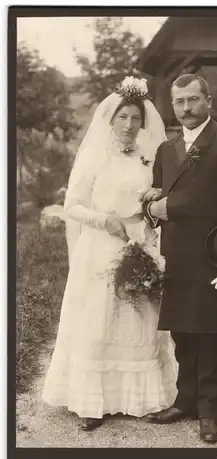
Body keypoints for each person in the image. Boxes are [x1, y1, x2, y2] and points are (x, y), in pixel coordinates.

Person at [42, 77, 178, 431]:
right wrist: (106, 221)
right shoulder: (93, 156)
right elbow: (72, 205)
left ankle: (145, 398)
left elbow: (159, 195)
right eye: (123, 118)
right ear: (111, 119)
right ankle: (92, 402)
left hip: (141, 237)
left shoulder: (150, 157)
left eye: (136, 119)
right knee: (99, 316)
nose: (130, 125)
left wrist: (149, 218)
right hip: (101, 242)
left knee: (141, 313)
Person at [142, 73, 217, 444]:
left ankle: (210, 413)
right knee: (182, 331)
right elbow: (155, 202)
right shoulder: (167, 150)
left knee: (210, 333)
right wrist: (151, 208)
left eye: (193, 100)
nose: (186, 109)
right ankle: (187, 401)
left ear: (208, 100)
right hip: (177, 255)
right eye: (179, 102)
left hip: (215, 254)